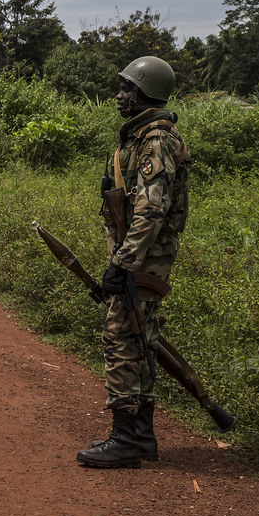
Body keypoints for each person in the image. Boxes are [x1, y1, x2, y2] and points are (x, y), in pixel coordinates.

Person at [77, 56, 189, 469]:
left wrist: (124, 263)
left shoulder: (155, 141)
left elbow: (151, 210)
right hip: (142, 258)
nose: (120, 95)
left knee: (121, 338)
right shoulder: (140, 136)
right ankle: (142, 437)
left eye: (128, 89)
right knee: (142, 337)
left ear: (145, 95)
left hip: (143, 260)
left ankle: (124, 440)